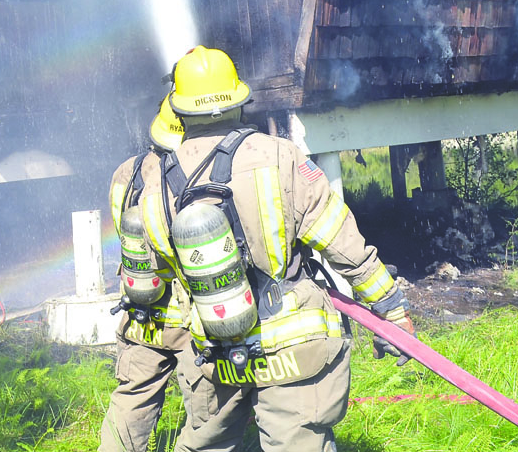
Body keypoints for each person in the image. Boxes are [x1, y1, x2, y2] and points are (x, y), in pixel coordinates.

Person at [138, 46, 416, 452]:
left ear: (178, 109)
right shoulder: (279, 156)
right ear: (238, 100)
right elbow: (343, 244)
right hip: (291, 348)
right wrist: (390, 309)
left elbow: (160, 273)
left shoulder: (153, 180)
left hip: (214, 351)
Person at [101, 95, 236, 452]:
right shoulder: (195, 176)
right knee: (208, 413)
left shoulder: (126, 173)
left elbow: (123, 230)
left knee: (131, 398)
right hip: (189, 319)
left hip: (140, 310)